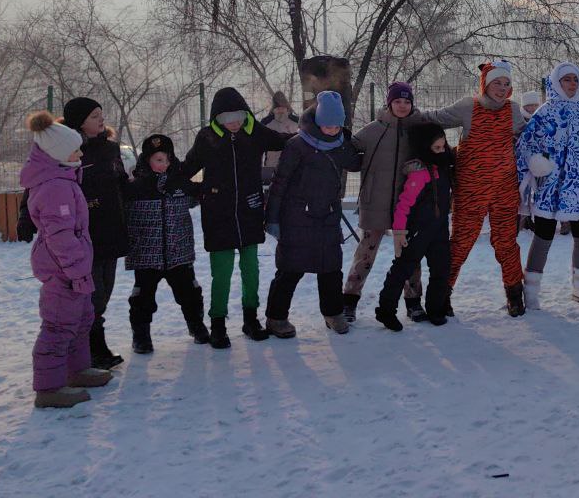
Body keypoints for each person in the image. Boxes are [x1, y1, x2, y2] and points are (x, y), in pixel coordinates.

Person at [180, 87, 289, 348]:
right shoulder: (206, 138)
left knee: (251, 269)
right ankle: (218, 323)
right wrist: (201, 191)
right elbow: (184, 171)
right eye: (228, 117)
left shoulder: (255, 132)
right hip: (219, 216)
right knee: (222, 272)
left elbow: (286, 141)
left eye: (239, 114)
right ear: (217, 117)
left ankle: (251, 319)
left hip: (249, 212)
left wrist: (313, 133)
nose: (235, 121)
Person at [21, 111, 113, 408]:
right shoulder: (55, 188)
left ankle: (77, 370)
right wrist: (77, 271)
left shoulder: (65, 178)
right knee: (59, 326)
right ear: (59, 154)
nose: (81, 152)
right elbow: (60, 236)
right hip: (63, 271)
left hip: (75, 270)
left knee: (82, 320)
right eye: (75, 148)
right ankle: (49, 388)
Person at [423, 60, 529, 316]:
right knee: (461, 242)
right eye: (497, 83)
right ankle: (442, 295)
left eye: (506, 84)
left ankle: (515, 294)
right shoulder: (467, 107)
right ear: (485, 84)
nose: (502, 89)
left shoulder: (513, 110)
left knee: (506, 243)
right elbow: (434, 118)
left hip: (504, 189)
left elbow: (531, 134)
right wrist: (402, 114)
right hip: (471, 191)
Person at [264, 92, 363, 337]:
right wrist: (272, 218)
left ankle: (333, 313)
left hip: (328, 217)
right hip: (296, 218)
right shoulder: (297, 144)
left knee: (331, 268)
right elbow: (280, 182)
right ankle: (276, 318)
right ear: (318, 121)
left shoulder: (339, 142)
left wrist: (347, 140)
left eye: (337, 125)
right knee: (290, 269)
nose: (332, 129)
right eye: (327, 125)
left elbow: (355, 164)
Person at [514, 63, 579, 308]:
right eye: (567, 79)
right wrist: (537, 162)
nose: (572, 84)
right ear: (555, 83)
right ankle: (530, 290)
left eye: (576, 79)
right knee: (543, 234)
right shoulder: (545, 112)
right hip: (553, 184)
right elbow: (525, 144)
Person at [341, 82, 428, 323]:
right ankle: (349, 300)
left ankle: (413, 302)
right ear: (389, 103)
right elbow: (349, 152)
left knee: (410, 255)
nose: (402, 106)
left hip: (407, 205)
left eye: (407, 101)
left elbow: (434, 151)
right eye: (398, 101)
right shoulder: (372, 130)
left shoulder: (418, 130)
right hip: (374, 201)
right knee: (365, 254)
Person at [123, 134, 209, 354]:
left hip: (178, 252)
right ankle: (141, 336)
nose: (164, 164)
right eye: (159, 160)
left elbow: (198, 196)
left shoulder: (180, 184)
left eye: (168, 160)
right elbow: (120, 211)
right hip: (145, 254)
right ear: (147, 160)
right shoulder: (134, 188)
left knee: (189, 293)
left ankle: (196, 326)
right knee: (142, 298)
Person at [61, 97, 129, 371]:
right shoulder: (67, 150)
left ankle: (93, 346)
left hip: (111, 229)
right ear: (78, 123)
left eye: (101, 115)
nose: (101, 120)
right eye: (93, 116)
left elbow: (122, 184)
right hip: (84, 234)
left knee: (105, 292)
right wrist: (25, 216)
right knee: (93, 295)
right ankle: (91, 348)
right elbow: (43, 182)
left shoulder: (111, 149)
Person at [375, 123, 455, 331]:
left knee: (441, 269)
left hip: (439, 230)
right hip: (417, 231)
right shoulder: (419, 173)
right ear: (424, 147)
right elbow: (404, 205)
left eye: (443, 146)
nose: (442, 151)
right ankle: (386, 311)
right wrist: (399, 231)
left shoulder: (445, 167)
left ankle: (436, 309)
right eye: (436, 148)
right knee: (402, 269)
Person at [261, 90, 300, 175]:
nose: (280, 110)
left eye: (282, 107)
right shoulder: (266, 122)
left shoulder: (297, 121)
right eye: (278, 107)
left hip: (293, 166)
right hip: (271, 167)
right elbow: (260, 145)